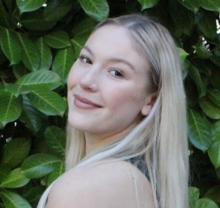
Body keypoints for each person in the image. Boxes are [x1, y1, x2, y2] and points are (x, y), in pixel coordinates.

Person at [37, 14, 189, 208]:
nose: (86, 81)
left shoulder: (85, 189)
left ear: (150, 101)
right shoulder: (134, 181)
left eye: (116, 72)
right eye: (86, 59)